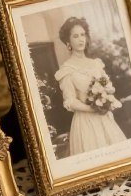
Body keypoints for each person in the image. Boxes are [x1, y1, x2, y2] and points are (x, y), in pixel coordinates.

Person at [54, 16, 126, 155]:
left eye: (83, 34)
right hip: (85, 122)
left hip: (104, 117)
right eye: (75, 36)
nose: (81, 39)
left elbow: (107, 84)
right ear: (68, 41)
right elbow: (70, 101)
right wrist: (93, 108)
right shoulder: (67, 70)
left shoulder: (96, 64)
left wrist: (107, 97)